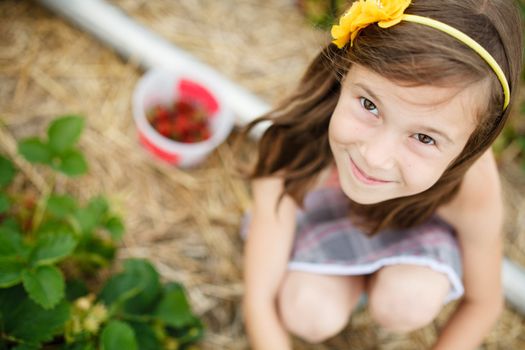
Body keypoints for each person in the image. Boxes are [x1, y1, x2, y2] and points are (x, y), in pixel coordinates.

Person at [240, 0, 523, 349]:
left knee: (409, 300)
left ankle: (386, 279)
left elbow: (484, 303)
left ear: (471, 147)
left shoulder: (471, 187)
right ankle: (347, 281)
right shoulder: (295, 142)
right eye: (369, 105)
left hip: (415, 229)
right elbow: (259, 298)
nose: (374, 158)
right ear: (346, 69)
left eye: (424, 138)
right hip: (327, 219)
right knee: (307, 311)